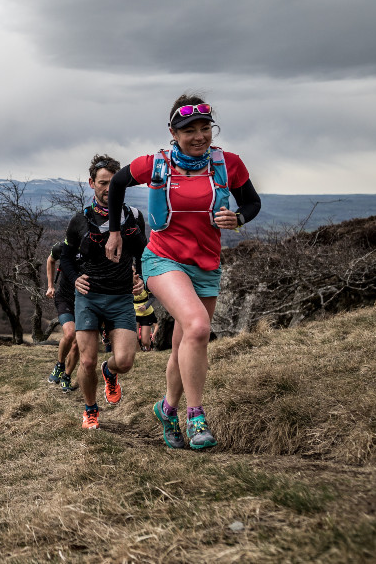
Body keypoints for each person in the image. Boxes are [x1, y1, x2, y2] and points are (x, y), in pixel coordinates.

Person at [106, 95, 261, 450]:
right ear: (172, 133)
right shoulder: (155, 164)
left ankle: (167, 408)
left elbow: (252, 203)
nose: (199, 136)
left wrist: (238, 218)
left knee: (184, 344)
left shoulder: (228, 164)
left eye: (205, 128)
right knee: (198, 326)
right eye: (189, 130)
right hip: (163, 259)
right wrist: (114, 231)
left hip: (206, 264)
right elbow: (116, 183)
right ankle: (196, 417)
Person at [59, 154, 147, 430]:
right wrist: (74, 279)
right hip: (90, 297)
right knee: (86, 360)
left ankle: (109, 372)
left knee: (124, 361)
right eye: (102, 183)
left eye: (114, 183)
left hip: (121, 297)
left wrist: (141, 277)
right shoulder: (80, 220)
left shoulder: (133, 218)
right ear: (92, 184)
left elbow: (144, 254)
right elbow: (65, 257)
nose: (108, 188)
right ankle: (90, 409)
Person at [45, 241, 79, 392]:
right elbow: (50, 260)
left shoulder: (95, 247)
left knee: (78, 343)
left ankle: (66, 376)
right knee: (70, 333)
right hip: (64, 298)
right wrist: (50, 286)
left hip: (85, 301)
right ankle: (60, 364)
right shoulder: (62, 247)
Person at [133, 287, 158, 351]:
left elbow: (152, 297)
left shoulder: (144, 283)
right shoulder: (127, 283)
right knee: (136, 337)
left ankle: (149, 348)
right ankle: (139, 353)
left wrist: (145, 306)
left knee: (145, 341)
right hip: (133, 313)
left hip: (146, 314)